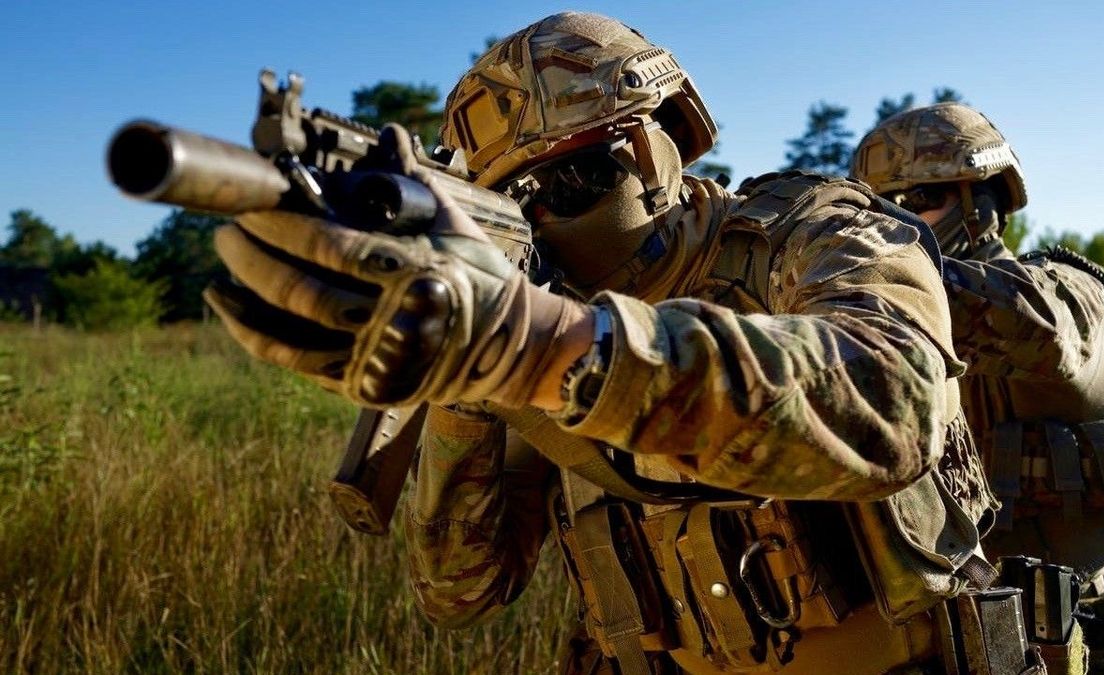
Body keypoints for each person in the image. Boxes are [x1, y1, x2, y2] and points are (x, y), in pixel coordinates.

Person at [205, 13, 1038, 674]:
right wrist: (469, 387)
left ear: (650, 142)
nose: (540, 221)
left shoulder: (811, 230)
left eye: (565, 182)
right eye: (511, 204)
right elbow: (462, 591)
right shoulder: (536, 313)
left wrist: (543, 346)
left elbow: (893, 404)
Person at [852, 102, 1104, 674]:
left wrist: (847, 268)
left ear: (981, 202)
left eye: (914, 202)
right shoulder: (897, 325)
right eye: (877, 208)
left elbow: (1033, 323)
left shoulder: (1067, 292)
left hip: (1063, 644)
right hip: (939, 642)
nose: (892, 224)